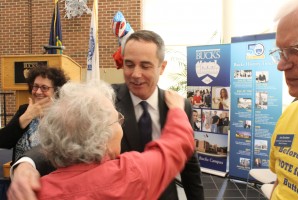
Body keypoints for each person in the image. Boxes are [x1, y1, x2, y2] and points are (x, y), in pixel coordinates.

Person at [8, 30, 204, 200]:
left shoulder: (179, 105)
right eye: (129, 64)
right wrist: (27, 164)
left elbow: (190, 165)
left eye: (145, 66)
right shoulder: (100, 99)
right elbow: (63, 138)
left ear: (162, 67)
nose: (135, 74)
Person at [32, 80, 193, 199]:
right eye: (117, 119)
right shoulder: (130, 174)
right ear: (101, 137)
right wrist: (178, 111)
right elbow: (176, 146)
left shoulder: (33, 192)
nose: (121, 126)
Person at [0, 64, 69, 164]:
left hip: (50, 177)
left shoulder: (63, 115)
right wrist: (26, 118)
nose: (38, 92)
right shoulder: (24, 110)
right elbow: (3, 142)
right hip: (20, 176)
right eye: (35, 86)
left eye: (44, 87)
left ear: (56, 91)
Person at [269, 3, 298, 200]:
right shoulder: (290, 114)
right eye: (281, 52)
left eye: (295, 49)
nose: (281, 65)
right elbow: (280, 179)